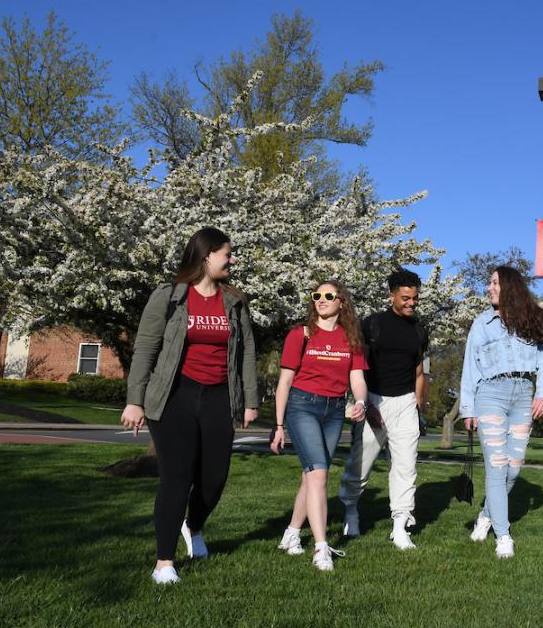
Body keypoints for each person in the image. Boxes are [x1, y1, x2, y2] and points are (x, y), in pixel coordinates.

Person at [121, 227, 259, 584]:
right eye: (227, 254)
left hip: (218, 397)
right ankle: (164, 562)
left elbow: (246, 355)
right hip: (175, 396)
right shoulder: (169, 297)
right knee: (176, 477)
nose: (232, 260)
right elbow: (146, 350)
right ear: (207, 255)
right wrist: (135, 401)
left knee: (214, 478)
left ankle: (193, 526)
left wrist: (249, 401)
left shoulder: (234, 301)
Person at [460, 266, 543, 559]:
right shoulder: (482, 324)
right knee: (497, 465)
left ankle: (486, 516)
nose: (488, 288)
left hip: (523, 395)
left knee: (513, 468)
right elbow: (469, 367)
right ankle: (503, 536)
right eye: (489, 283)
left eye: (493, 283)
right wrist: (468, 408)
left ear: (509, 287)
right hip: (490, 394)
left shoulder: (537, 320)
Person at [271, 281, 368, 571]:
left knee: (311, 476)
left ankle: (291, 533)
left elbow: (358, 379)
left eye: (328, 296)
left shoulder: (351, 339)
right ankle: (321, 547)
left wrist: (361, 402)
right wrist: (278, 425)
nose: (321, 300)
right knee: (319, 475)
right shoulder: (300, 335)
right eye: (317, 296)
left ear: (342, 302)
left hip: (335, 410)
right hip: (303, 406)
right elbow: (284, 382)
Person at [339, 269, 429, 550]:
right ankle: (351, 511)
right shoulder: (372, 325)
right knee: (359, 465)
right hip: (372, 401)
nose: (411, 303)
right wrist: (363, 404)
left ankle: (400, 526)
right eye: (405, 298)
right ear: (391, 295)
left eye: (414, 298)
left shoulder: (419, 331)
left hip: (405, 405)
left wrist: (418, 406)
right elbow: (357, 367)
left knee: (405, 467)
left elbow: (419, 373)